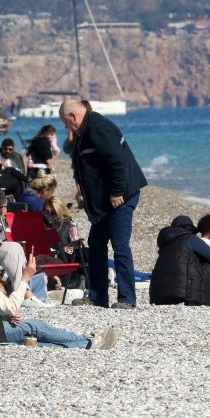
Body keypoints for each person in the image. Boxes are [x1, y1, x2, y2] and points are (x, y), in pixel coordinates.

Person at [0, 245, 119, 350]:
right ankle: (86, 342)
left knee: (29, 340)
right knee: (32, 327)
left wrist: (3, 317)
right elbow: (9, 306)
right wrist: (26, 277)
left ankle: (83, 344)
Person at [60, 98, 147, 309]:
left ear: (74, 116)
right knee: (97, 245)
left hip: (120, 197)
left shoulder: (98, 127)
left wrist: (117, 192)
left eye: (65, 122)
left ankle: (127, 298)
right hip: (102, 203)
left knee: (119, 245)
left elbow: (118, 161)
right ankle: (97, 296)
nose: (65, 127)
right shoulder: (84, 132)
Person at [149, 215, 210, 306]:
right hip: (183, 295)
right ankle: (209, 291)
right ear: (189, 228)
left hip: (158, 296)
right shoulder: (190, 239)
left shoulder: (165, 245)